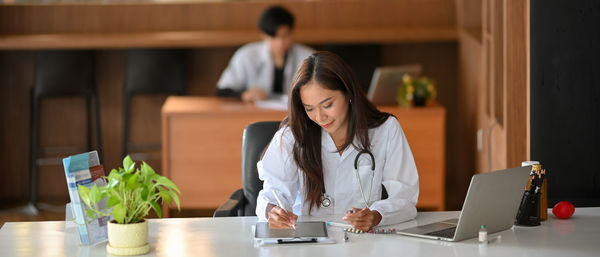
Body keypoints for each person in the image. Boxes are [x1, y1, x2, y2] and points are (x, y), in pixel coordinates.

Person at [256, 51, 419, 231]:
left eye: (327, 105)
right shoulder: (293, 135)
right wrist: (273, 212)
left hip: (364, 241)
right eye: (309, 108)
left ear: (348, 93)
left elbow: (405, 197)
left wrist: (376, 215)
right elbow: (272, 194)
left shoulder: (386, 129)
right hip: (309, 240)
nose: (319, 117)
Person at [216, 6, 314, 102]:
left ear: (292, 32)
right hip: (257, 114)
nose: (280, 43)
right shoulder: (246, 55)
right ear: (263, 35)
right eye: (273, 37)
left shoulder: (308, 57)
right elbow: (222, 91)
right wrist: (245, 95)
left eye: (285, 36)